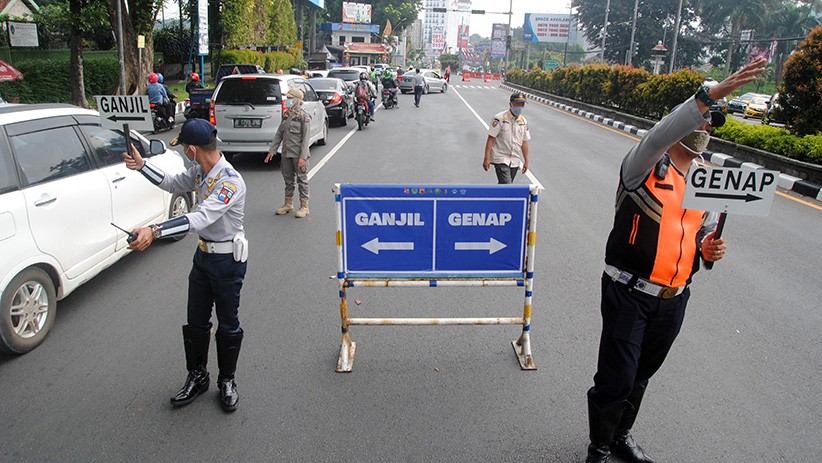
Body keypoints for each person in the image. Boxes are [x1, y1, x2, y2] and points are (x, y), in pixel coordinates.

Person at [584, 58, 767, 463]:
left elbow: (698, 232)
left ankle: (621, 437)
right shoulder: (644, 164)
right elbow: (660, 135)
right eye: (700, 120)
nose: (705, 127)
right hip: (629, 292)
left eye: (709, 122)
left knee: (642, 374)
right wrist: (707, 97)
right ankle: (598, 447)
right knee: (617, 377)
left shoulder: (703, 178)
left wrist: (707, 249)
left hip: (674, 298)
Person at [122, 118, 249, 412]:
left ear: (192, 149)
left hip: (227, 260)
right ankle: (198, 376)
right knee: (196, 322)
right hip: (203, 257)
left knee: (228, 323)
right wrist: (142, 166)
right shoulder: (199, 172)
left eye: (184, 149)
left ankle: (227, 380)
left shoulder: (230, 181)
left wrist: (154, 231)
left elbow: (200, 218)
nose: (184, 154)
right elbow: (170, 183)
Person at [265, 87, 312, 218]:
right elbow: (279, 133)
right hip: (286, 154)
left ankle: (304, 206)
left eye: (290, 99)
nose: (288, 101)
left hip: (298, 155)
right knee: (288, 180)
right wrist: (272, 150)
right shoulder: (287, 116)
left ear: (297, 100)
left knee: (302, 180)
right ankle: (288, 204)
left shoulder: (304, 117)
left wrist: (302, 157)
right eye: (288, 99)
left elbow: (306, 139)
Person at [482, 92, 530, 184]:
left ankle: (497, 198)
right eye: (517, 104)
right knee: (507, 185)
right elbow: (491, 138)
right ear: (511, 104)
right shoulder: (500, 118)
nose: (519, 107)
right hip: (501, 158)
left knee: (505, 187)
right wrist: (487, 158)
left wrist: (526, 161)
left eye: (522, 104)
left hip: (515, 159)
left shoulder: (523, 121)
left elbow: (524, 142)